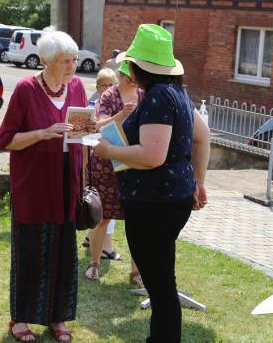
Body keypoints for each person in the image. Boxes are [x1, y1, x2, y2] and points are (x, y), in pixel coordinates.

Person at [94, 24, 211, 343]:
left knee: (160, 287)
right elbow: (203, 137)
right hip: (169, 199)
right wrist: (199, 182)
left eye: (129, 63)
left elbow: (152, 155)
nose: (126, 67)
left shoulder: (158, 97)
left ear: (138, 66)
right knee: (161, 282)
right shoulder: (177, 93)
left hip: (155, 204)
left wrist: (109, 150)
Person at [0, 28, 88, 342]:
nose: (72, 66)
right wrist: (42, 132)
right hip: (34, 183)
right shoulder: (25, 89)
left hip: (67, 181)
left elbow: (82, 132)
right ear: (47, 60)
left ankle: (57, 318)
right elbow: (7, 140)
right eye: (65, 61)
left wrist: (95, 132)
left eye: (74, 60)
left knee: (64, 252)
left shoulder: (76, 86)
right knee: (32, 250)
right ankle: (21, 320)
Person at [85, 61, 143, 288]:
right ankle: (95, 263)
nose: (132, 80)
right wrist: (120, 114)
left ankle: (136, 272)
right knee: (102, 216)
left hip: (133, 162)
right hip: (107, 163)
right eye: (129, 76)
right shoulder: (109, 95)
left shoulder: (144, 94)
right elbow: (99, 125)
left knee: (137, 221)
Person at [84, 68, 119, 259]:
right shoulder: (91, 106)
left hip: (114, 159)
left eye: (110, 85)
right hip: (96, 160)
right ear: (97, 87)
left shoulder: (117, 104)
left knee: (109, 210)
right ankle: (102, 249)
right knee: (102, 207)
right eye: (102, 85)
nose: (106, 89)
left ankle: (101, 243)